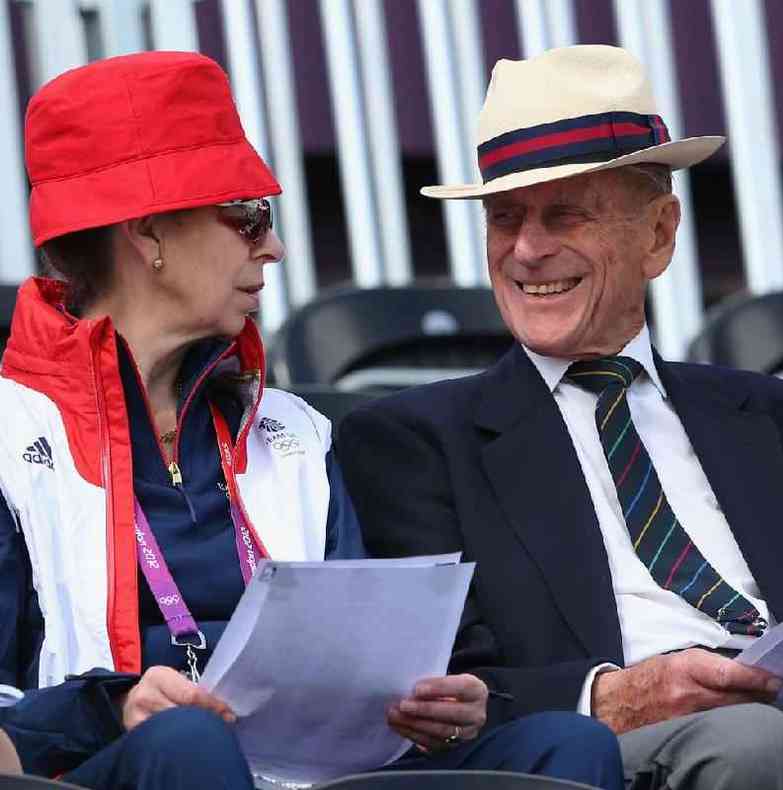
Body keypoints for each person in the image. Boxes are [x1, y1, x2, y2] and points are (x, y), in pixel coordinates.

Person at [0, 51, 624, 790]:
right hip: (108, 769)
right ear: (147, 234)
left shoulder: (296, 432)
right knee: (188, 745)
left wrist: (423, 703)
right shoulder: (11, 436)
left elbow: (356, 665)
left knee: (566, 747)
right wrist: (108, 706)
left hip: (309, 770)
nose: (275, 246)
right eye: (247, 217)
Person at [337, 44, 783, 790]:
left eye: (565, 215)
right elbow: (439, 696)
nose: (527, 251)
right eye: (504, 218)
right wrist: (609, 697)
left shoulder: (769, 415)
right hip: (617, 753)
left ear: (658, 236)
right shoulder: (412, 442)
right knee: (753, 744)